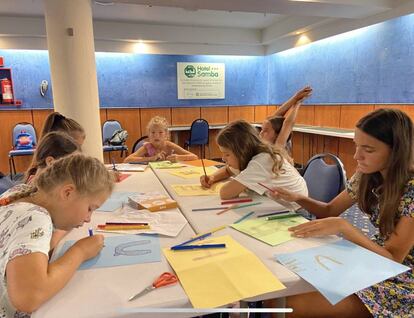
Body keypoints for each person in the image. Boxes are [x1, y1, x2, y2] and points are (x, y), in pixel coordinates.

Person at [267, 108, 414, 318]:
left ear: (397, 151)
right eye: (356, 145)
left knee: (290, 305)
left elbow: (393, 259)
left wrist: (345, 227)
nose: (356, 156)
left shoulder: (411, 190)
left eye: (368, 149)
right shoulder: (367, 175)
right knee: (280, 290)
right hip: (372, 259)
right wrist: (297, 197)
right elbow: (329, 210)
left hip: (402, 279)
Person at [0, 153, 114, 317]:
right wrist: (80, 251)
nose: (89, 219)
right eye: (90, 208)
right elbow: (28, 298)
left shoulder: (22, 192)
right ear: (68, 193)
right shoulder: (36, 218)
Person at [200, 120, 308, 201]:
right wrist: (213, 177)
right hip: (280, 205)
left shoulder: (261, 162)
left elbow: (225, 193)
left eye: (227, 154)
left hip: (296, 213)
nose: (223, 158)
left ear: (242, 151)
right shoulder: (256, 154)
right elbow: (228, 170)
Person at [124, 116, 198, 163]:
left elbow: (194, 156)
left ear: (166, 134)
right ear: (149, 134)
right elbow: (127, 160)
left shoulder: (169, 145)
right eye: (153, 132)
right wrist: (151, 158)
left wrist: (178, 157)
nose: (156, 136)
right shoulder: (147, 147)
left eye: (160, 132)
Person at [260, 86, 312, 151]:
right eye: (262, 129)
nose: (260, 133)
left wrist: (297, 103)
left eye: (266, 131)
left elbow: (288, 124)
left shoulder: (277, 150)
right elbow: (272, 120)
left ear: (278, 135)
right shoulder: (262, 145)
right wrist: (295, 99)